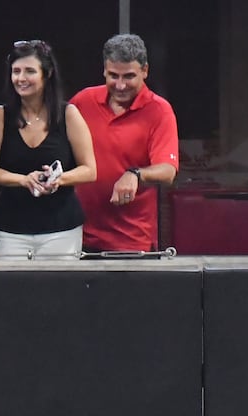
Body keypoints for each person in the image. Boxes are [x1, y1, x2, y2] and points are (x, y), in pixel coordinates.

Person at [0, 40, 96, 258]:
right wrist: (23, 180)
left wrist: (59, 179)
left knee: (57, 291)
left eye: (29, 71)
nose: (21, 78)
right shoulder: (0, 116)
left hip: (61, 228)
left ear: (48, 73)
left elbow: (90, 170)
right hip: (11, 229)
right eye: (16, 71)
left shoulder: (68, 114)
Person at [71, 33, 179, 252]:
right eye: (113, 75)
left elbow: (168, 171)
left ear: (145, 71)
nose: (120, 85)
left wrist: (136, 174)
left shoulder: (159, 110)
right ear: (104, 70)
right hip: (76, 234)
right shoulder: (83, 101)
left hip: (131, 241)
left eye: (128, 76)